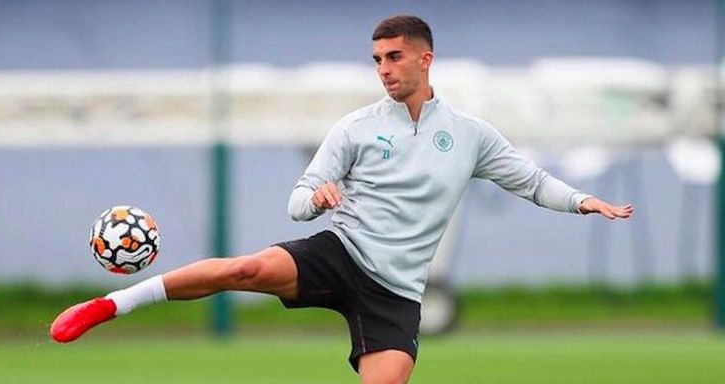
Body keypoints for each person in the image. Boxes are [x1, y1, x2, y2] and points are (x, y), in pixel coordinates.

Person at [50, 15, 633, 384]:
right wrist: (318, 197)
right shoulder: (354, 127)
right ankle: (112, 304)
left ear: (425, 59)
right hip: (340, 250)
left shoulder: (470, 134)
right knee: (245, 267)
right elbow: (298, 201)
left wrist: (584, 201)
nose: (383, 69)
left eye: (394, 57)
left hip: (398, 292)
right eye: (377, 59)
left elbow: (529, 180)